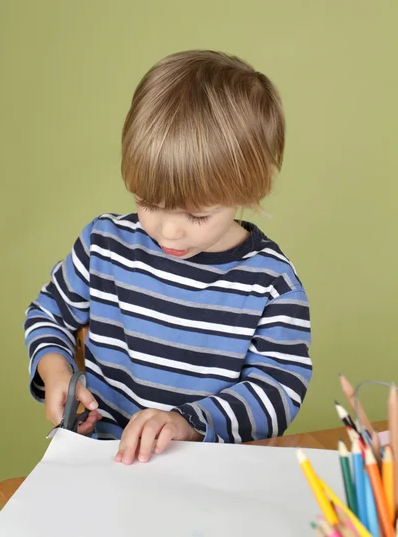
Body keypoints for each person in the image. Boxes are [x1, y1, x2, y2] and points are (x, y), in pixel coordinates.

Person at [25, 50, 312, 465]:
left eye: (197, 214)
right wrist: (56, 374)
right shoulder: (104, 244)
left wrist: (188, 422)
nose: (168, 230)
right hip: (102, 469)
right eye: (148, 202)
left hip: (206, 480)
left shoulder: (270, 282)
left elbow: (276, 393)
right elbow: (47, 315)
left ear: (255, 184)